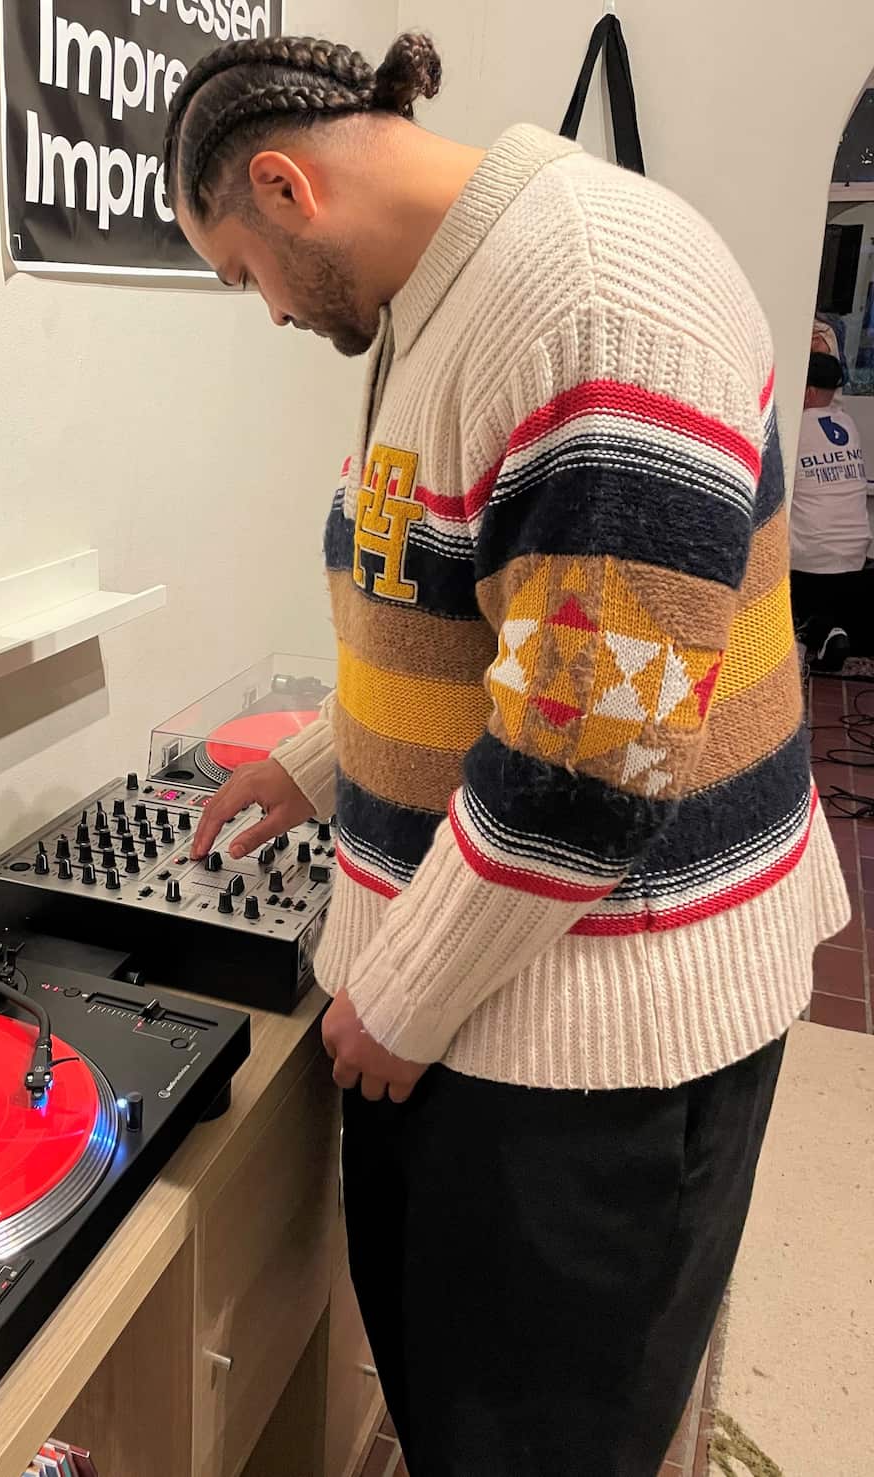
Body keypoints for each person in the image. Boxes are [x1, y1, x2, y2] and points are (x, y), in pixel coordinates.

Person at [164, 30, 850, 1477]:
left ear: (285, 189)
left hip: (600, 1048)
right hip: (491, 996)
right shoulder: (443, 300)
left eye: (242, 276)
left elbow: (589, 762)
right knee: (452, 1404)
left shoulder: (593, 304)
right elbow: (472, 627)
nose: (268, 312)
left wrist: (400, 995)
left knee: (541, 1441)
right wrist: (319, 763)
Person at [789, 349, 872, 670]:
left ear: (807, 390)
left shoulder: (795, 427)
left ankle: (809, 635)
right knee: (825, 604)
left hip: (809, 559)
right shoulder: (847, 423)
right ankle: (830, 631)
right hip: (855, 555)